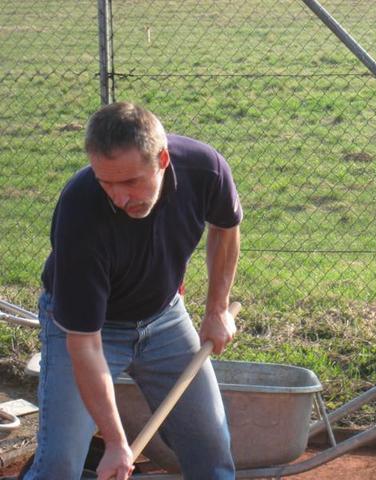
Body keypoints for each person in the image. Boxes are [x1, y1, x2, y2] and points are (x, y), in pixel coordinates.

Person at [24, 102, 242, 480]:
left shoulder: (204, 169)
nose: (119, 198)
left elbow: (226, 227)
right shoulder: (80, 210)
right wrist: (114, 441)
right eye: (106, 182)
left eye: (130, 182)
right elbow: (84, 344)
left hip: (164, 318)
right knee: (60, 464)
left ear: (162, 158)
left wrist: (217, 309)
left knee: (211, 447)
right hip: (89, 331)